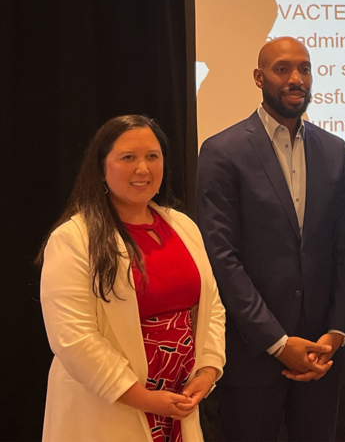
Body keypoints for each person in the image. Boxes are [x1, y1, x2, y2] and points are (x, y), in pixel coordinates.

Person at [196, 36, 345, 441]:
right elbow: (222, 257)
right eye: (282, 69)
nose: (296, 79)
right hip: (254, 355)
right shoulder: (222, 151)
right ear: (259, 77)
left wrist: (336, 334)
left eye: (304, 69)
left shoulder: (335, 150)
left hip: (323, 354)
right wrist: (276, 341)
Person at [38, 115, 226, 442]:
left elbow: (212, 309)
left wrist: (208, 372)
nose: (143, 168)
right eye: (128, 157)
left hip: (179, 406)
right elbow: (73, 338)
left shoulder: (183, 226)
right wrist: (144, 398)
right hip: (108, 408)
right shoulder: (73, 238)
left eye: (152, 156)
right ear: (101, 167)